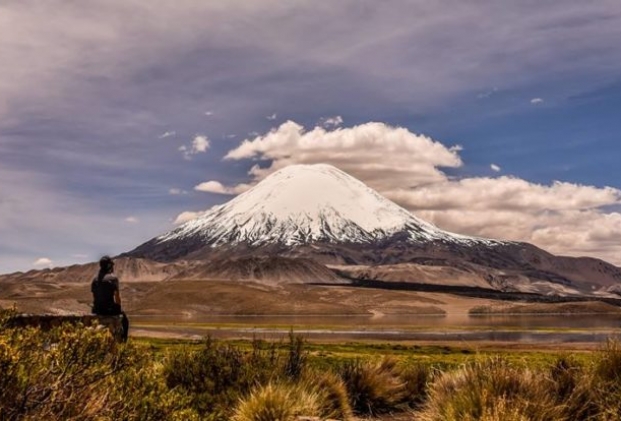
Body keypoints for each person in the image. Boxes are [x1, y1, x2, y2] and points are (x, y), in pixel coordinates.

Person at [91, 255, 129, 342]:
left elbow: (94, 296)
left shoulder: (94, 280)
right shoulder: (113, 278)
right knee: (125, 320)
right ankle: (124, 340)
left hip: (97, 310)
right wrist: (119, 308)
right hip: (109, 310)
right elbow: (117, 297)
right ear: (109, 266)